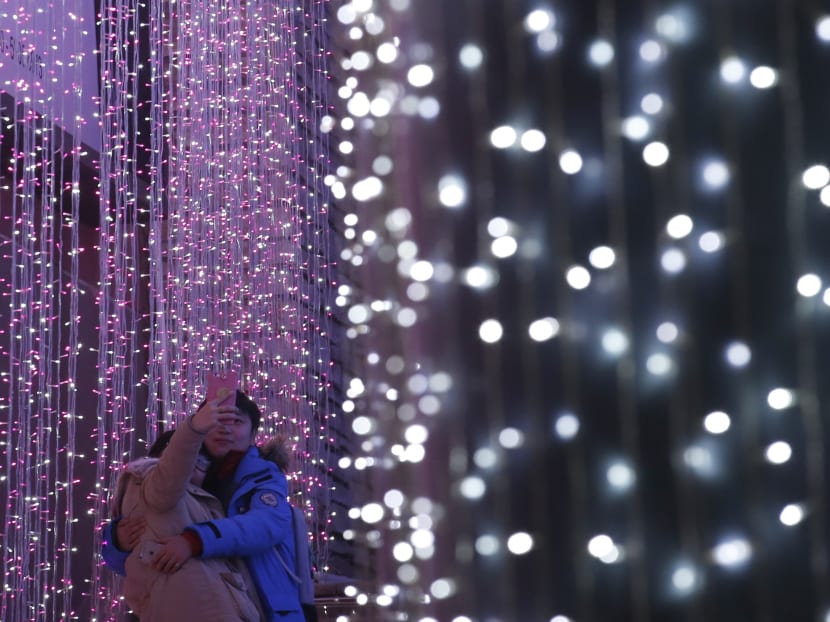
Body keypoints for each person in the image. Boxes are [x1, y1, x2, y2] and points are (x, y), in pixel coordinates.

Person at [105, 390, 305, 622]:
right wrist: (116, 540)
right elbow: (135, 557)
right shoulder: (186, 476)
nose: (225, 428)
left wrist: (195, 541)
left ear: (253, 435)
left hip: (266, 605)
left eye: (237, 421)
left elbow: (265, 525)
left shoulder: (263, 477)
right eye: (217, 420)